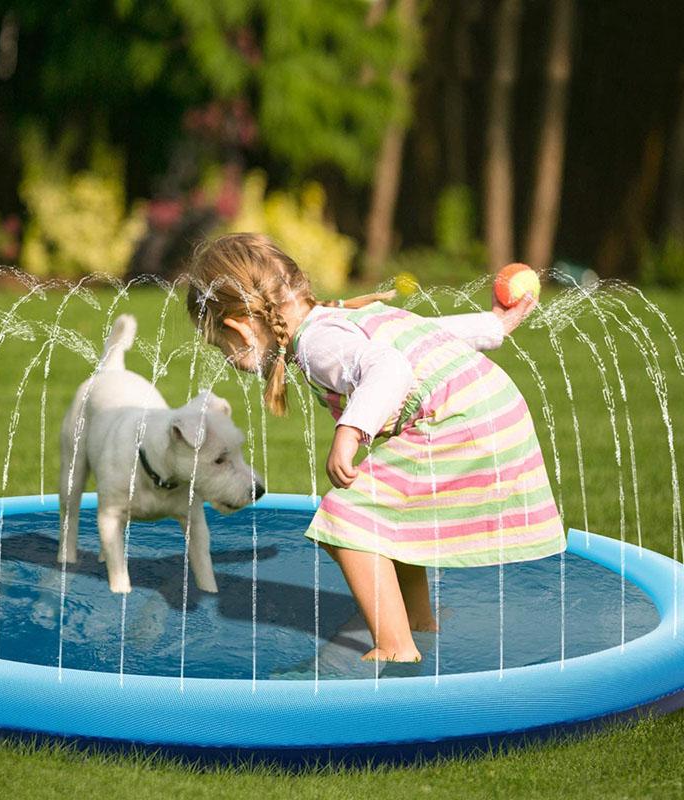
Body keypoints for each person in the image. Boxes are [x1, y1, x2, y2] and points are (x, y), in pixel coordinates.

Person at [186, 233, 565, 664]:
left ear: (238, 327)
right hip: (489, 409)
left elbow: (389, 367)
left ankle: (396, 648)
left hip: (457, 422)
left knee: (347, 521)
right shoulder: (337, 317)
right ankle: (419, 621)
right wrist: (493, 325)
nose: (227, 358)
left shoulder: (316, 342)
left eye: (222, 348)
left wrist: (351, 431)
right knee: (388, 515)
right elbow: (425, 333)